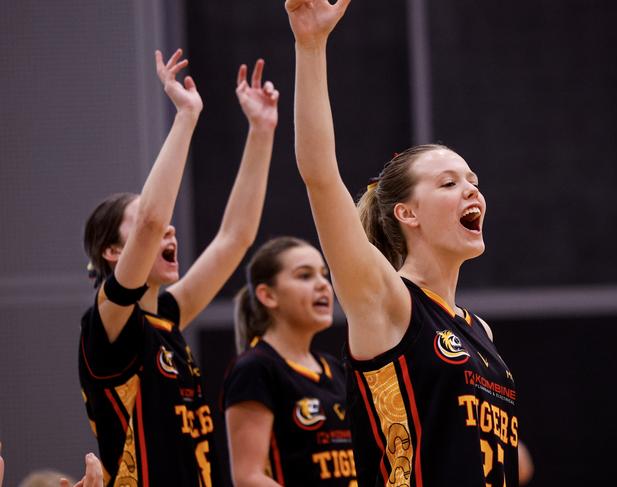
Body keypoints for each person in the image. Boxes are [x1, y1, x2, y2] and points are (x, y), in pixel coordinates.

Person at [284, 1, 519, 485]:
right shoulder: (388, 300)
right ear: (406, 213)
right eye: (449, 183)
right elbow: (320, 176)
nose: (471, 189)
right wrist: (310, 47)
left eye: (472, 180)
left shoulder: (481, 332)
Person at [79, 48, 279, 487]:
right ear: (114, 252)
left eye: (172, 227)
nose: (169, 230)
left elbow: (235, 238)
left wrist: (262, 132)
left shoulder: (165, 316)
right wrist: (186, 115)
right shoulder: (109, 324)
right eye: (152, 227)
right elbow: (151, 221)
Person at [222, 237, 357, 486]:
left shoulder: (334, 368)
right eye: (305, 276)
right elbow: (247, 477)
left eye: (323, 274)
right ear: (268, 295)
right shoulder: (255, 368)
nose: (323, 285)